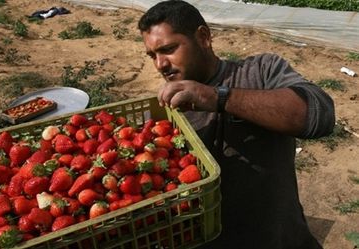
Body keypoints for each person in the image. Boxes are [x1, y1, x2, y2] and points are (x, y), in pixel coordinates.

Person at [138, 1, 335, 249]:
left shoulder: (261, 72)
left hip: (280, 240)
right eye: (152, 55)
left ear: (203, 37)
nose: (160, 64)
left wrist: (217, 97)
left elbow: (319, 115)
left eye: (168, 49)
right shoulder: (164, 114)